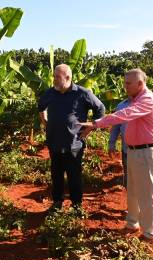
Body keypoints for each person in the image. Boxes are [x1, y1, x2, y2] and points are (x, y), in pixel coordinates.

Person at [80, 68, 153, 242]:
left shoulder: (147, 99)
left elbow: (124, 115)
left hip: (145, 151)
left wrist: (96, 123)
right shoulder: (134, 100)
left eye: (128, 83)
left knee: (147, 193)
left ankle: (150, 232)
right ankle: (132, 222)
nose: (124, 86)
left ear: (140, 83)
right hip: (132, 151)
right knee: (132, 189)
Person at [38, 64, 105, 212]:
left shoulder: (82, 93)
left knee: (74, 176)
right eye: (54, 76)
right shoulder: (50, 93)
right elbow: (41, 106)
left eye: (57, 77)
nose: (54, 79)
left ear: (68, 77)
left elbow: (100, 108)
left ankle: (76, 206)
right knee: (56, 175)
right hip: (54, 141)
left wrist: (89, 128)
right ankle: (57, 203)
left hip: (73, 143)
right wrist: (46, 122)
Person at [109, 98, 153, 189]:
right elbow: (115, 127)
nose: (127, 87)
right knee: (130, 182)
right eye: (126, 84)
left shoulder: (149, 103)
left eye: (130, 83)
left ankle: (150, 203)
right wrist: (111, 145)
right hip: (127, 150)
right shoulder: (121, 106)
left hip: (146, 151)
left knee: (148, 183)